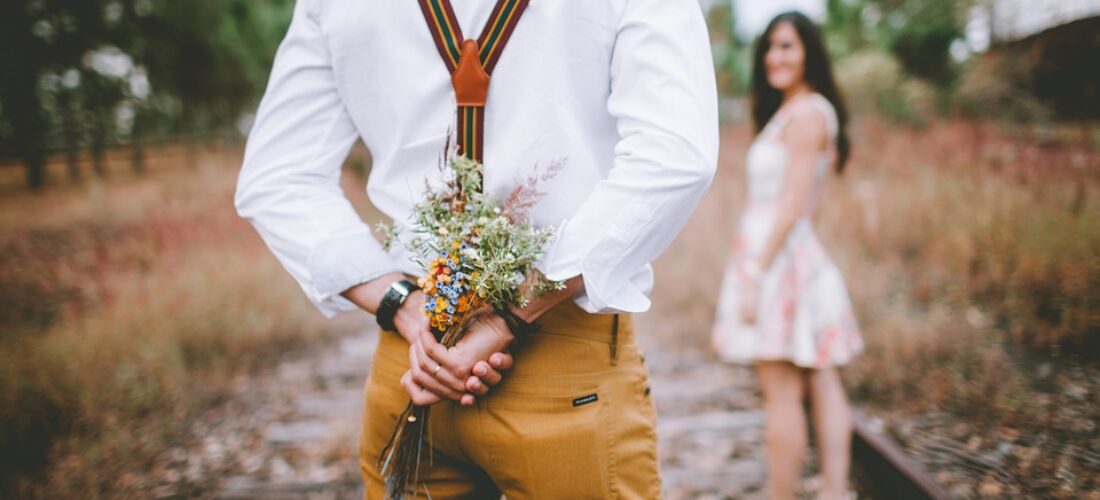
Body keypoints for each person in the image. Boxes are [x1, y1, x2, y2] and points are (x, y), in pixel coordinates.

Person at [235, 0, 719, 497]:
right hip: (562, 368)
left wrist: (402, 302)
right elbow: (676, 155)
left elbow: (277, 178)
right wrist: (509, 312)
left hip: (414, 367)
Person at [710, 11, 863, 500]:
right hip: (789, 255)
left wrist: (756, 272)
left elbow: (794, 203)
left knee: (782, 391)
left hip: (777, 262)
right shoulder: (799, 110)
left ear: (809, 53)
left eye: (787, 47)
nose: (775, 57)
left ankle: (787, 494)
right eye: (770, 48)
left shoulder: (806, 114)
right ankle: (835, 490)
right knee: (820, 376)